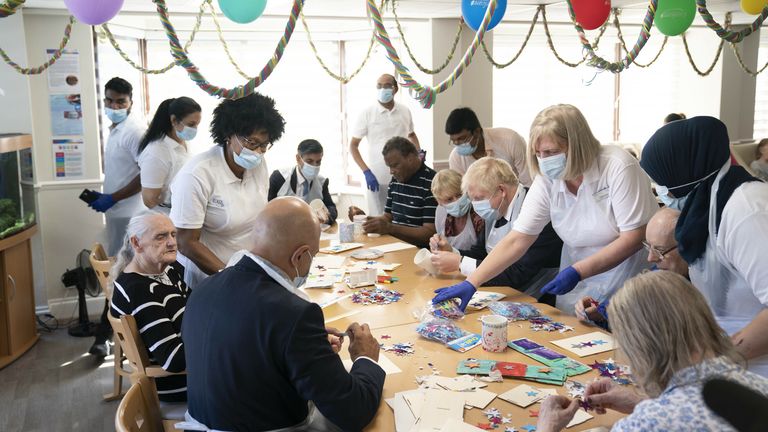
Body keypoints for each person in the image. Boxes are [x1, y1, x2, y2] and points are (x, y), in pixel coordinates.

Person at [182, 197, 385, 431]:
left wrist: (302, 350)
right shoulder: (295, 314)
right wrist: (365, 357)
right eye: (313, 256)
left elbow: (243, 350)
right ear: (299, 256)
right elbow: (353, 412)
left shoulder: (203, 290)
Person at [431, 104, 657, 314]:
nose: (543, 160)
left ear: (576, 144)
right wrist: (472, 282)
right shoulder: (548, 178)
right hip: (577, 277)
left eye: (550, 152)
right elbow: (518, 239)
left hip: (625, 276)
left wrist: (579, 271)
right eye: (538, 154)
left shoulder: (617, 166)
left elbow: (634, 237)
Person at [536, 271, 768, 432]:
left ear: (639, 347)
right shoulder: (756, 386)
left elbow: (673, 419)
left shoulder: (647, 423)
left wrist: (546, 427)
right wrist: (640, 402)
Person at [640, 116, 768, 376]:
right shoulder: (706, 206)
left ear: (684, 171)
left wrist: (715, 359)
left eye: (661, 180)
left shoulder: (747, 210)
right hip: (729, 360)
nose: (660, 190)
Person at [170, 93, 285, 288]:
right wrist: (228, 275)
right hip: (208, 278)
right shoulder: (197, 174)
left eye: (264, 145)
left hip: (245, 271)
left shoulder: (258, 164)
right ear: (228, 135)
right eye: (251, 142)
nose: (257, 152)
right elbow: (186, 242)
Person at [430, 157, 563, 299]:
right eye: (472, 198)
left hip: (538, 295)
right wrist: (453, 252)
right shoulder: (496, 209)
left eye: (479, 198)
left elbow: (518, 273)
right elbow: (481, 253)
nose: (475, 205)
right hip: (504, 292)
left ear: (501, 190)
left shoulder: (537, 211)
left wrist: (460, 263)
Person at [87, 77, 147, 357]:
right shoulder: (115, 130)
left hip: (131, 215)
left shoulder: (134, 131)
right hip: (116, 215)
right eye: (110, 101)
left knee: (120, 275)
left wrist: (114, 197)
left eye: (120, 102)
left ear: (130, 103)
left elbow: (144, 173)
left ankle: (106, 336)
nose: (114, 106)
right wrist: (106, 198)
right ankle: (109, 335)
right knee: (116, 272)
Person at [109, 212, 189, 402]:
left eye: (173, 234)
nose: (171, 242)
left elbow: (197, 309)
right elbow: (173, 359)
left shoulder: (169, 269)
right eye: (161, 237)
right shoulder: (138, 290)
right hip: (179, 383)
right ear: (136, 243)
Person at [575, 207, 687, 324]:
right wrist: (601, 312)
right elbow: (631, 304)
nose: (650, 258)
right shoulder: (657, 277)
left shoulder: (702, 289)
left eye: (659, 250)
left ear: (686, 247)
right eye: (648, 247)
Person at [349, 74, 420, 215]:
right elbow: (353, 145)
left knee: (403, 219)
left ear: (395, 89)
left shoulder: (404, 111)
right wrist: (366, 172)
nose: (383, 89)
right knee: (378, 220)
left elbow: (411, 135)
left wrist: (419, 155)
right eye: (379, 86)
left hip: (404, 176)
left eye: (387, 85)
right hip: (377, 178)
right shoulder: (367, 113)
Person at [347, 137, 436, 248]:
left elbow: (429, 233)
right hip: (395, 246)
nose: (391, 171)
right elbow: (387, 217)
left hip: (419, 252)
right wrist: (366, 220)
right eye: (389, 166)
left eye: (395, 165)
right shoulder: (396, 180)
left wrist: (390, 228)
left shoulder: (433, 183)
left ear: (410, 158)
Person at [138, 97, 202, 213]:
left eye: (197, 124)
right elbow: (150, 200)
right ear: (174, 120)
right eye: (191, 124)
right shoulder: (156, 152)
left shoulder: (185, 143)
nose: (195, 129)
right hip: (169, 219)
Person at [445, 107, 531, 187]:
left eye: (462, 139)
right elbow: (463, 192)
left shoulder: (510, 140)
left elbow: (528, 182)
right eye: (453, 141)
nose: (458, 144)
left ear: (477, 132)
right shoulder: (456, 158)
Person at [268, 139, 338, 224]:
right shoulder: (280, 177)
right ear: (298, 158)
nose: (314, 166)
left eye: (318, 162)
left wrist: (327, 216)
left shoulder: (322, 181)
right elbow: (267, 209)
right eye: (309, 161)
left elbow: (331, 206)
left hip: (310, 229)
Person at [430, 168, 484, 251]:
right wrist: (437, 245)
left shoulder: (479, 213)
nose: (456, 201)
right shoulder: (441, 212)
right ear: (439, 202)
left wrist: (451, 252)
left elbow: (481, 255)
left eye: (459, 194)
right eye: (449, 199)